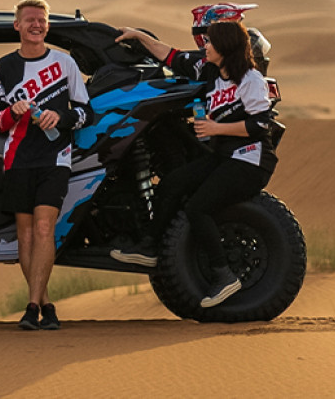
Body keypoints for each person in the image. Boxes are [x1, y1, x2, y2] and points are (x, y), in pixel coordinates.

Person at [109, 20, 279, 308]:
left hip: (250, 159)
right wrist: (139, 36)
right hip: (224, 156)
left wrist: (216, 129)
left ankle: (224, 274)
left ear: (225, 46)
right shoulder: (209, 70)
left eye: (210, 42)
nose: (205, 46)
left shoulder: (250, 79)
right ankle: (150, 247)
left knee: (198, 207)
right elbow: (171, 55)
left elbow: (261, 124)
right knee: (173, 183)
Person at [0, 0, 93, 330]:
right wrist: (11, 112)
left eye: (41, 20)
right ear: (17, 25)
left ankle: (31, 307)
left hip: (55, 157)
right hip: (17, 158)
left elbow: (86, 112)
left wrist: (60, 117)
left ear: (47, 26)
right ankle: (47, 306)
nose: (36, 25)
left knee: (45, 227)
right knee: (26, 234)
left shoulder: (65, 63)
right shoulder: (3, 68)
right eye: (30, 20)